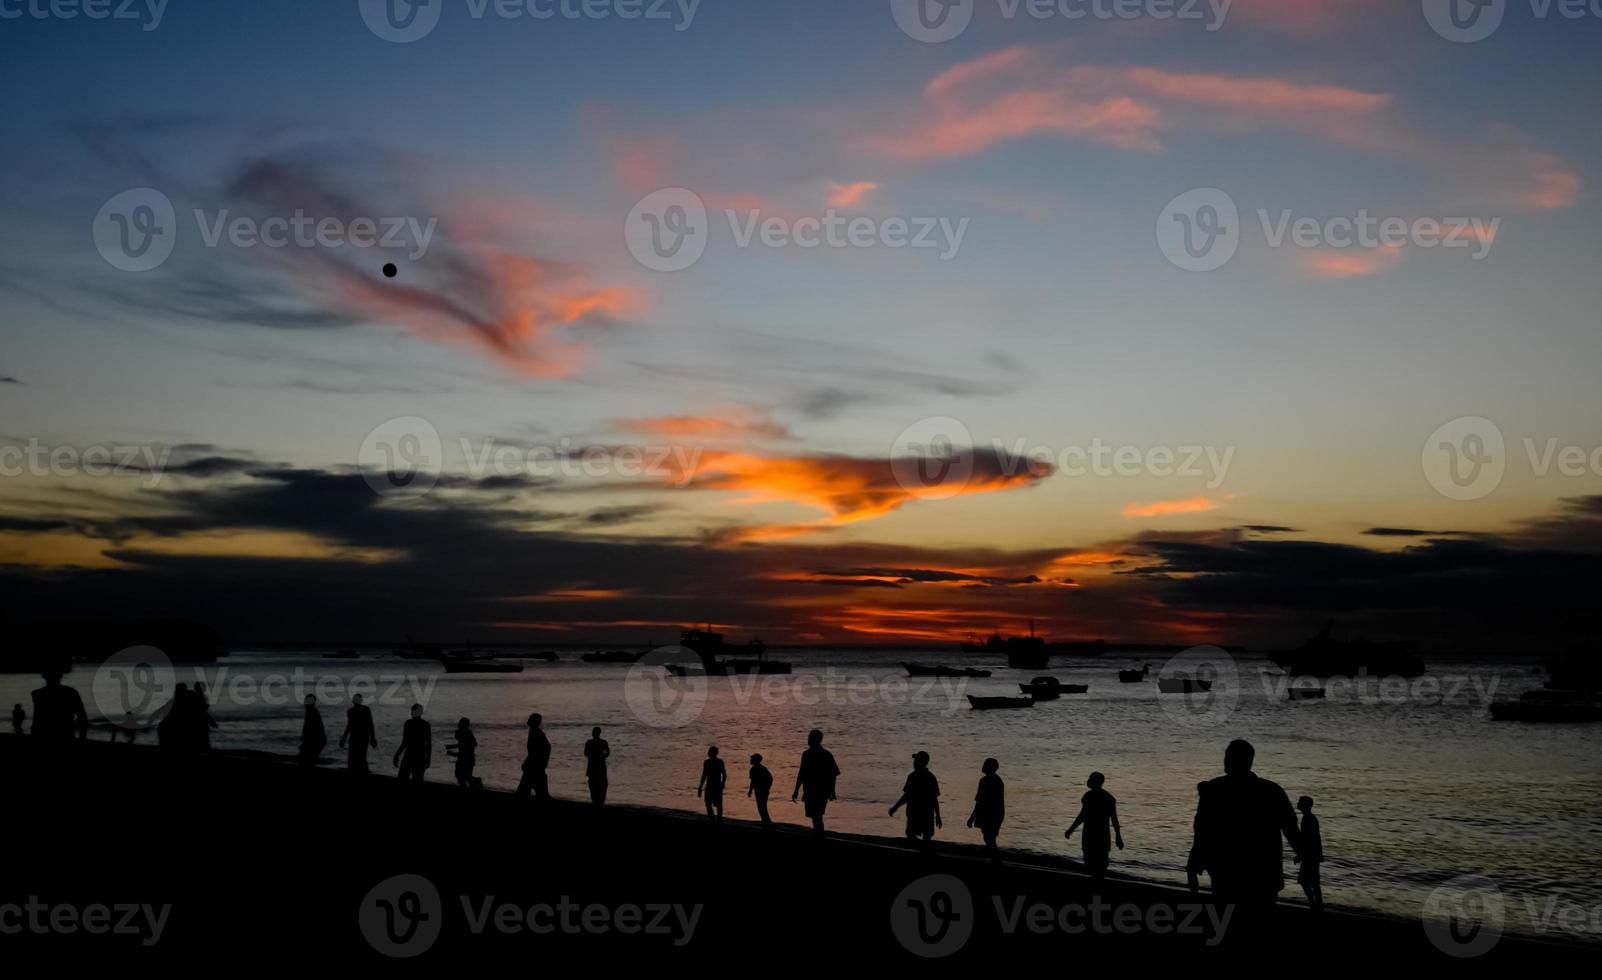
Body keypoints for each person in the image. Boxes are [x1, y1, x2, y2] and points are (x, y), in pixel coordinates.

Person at [1189, 739, 1302, 909]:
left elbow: (1202, 828)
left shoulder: (1213, 790)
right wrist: (1303, 853)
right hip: (1263, 873)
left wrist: (1196, 858)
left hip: (1226, 871)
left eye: (1228, 757)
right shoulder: (1272, 791)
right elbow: (1291, 828)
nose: (1225, 761)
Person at [1064, 771, 1123, 884]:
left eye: (1090, 778)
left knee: (1095, 863)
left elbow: (1082, 816)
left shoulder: (1092, 797)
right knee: (1097, 864)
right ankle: (1097, 883)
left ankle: (1096, 885)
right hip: (1101, 835)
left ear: (1094, 782)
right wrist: (1118, 836)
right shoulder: (1107, 798)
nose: (1088, 780)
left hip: (1092, 834)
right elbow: (1114, 820)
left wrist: (1071, 830)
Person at [791, 729, 839, 835]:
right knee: (816, 816)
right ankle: (818, 833)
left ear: (815, 739)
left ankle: (818, 835)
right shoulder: (822, 754)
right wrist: (796, 790)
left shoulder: (814, 754)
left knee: (816, 816)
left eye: (810, 737)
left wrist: (832, 791)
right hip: (814, 790)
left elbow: (833, 774)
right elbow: (833, 774)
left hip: (817, 790)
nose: (808, 739)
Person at [890, 750, 942, 846]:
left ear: (921, 762)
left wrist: (895, 807)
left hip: (915, 813)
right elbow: (934, 799)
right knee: (924, 838)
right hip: (926, 814)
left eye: (916, 761)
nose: (913, 763)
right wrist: (938, 816)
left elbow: (906, 796)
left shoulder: (913, 777)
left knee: (912, 836)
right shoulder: (931, 777)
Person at [30, 664, 88, 744]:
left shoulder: (37, 694)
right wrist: (82, 737)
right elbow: (82, 717)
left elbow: (37, 719)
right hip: (65, 735)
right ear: (61, 675)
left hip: (42, 735)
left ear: (43, 675)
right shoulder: (70, 692)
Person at [967, 758, 1005, 862]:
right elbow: (979, 800)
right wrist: (972, 817)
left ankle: (996, 860)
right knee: (988, 837)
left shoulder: (993, 781)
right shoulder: (987, 781)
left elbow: (981, 801)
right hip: (991, 813)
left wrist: (972, 817)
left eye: (985, 764)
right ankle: (995, 859)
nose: (982, 766)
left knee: (989, 838)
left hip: (992, 814)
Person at [1294, 795, 1324, 911]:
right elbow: (1316, 838)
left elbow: (1308, 839)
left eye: (1300, 801)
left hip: (1310, 855)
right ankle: (1317, 904)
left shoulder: (1307, 819)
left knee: (1305, 881)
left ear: (1305, 805)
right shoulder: (1310, 818)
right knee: (1313, 881)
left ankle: (1315, 904)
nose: (1298, 803)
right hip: (1313, 854)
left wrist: (1300, 855)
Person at [515, 713, 552, 800]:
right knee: (539, 792)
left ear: (534, 721)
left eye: (530, 719)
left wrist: (542, 762)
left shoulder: (536, 733)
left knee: (525, 792)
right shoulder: (534, 732)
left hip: (534, 767)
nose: (528, 720)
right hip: (535, 766)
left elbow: (544, 748)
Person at [339, 693, 378, 773]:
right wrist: (373, 738)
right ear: (361, 701)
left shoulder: (351, 711)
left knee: (354, 759)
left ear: (353, 701)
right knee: (361, 758)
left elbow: (349, 726)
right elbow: (370, 725)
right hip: (362, 737)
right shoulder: (365, 710)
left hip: (356, 737)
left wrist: (344, 738)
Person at [393, 704, 432, 782]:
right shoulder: (425, 725)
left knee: (402, 778)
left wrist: (397, 754)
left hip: (409, 755)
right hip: (420, 756)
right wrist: (428, 758)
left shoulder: (408, 723)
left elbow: (405, 742)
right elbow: (428, 744)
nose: (412, 713)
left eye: (413, 712)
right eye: (412, 712)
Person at [1186, 781, 1207, 893]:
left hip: (1201, 844)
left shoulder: (1205, 805)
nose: (1198, 794)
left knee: (1191, 869)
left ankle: (1194, 893)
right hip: (1199, 844)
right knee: (1191, 869)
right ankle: (1194, 893)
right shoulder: (1203, 804)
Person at [698, 746, 727, 823]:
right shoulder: (708, 762)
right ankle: (714, 820)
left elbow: (724, 774)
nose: (708, 753)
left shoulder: (717, 762)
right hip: (713, 785)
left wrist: (723, 783)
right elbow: (704, 775)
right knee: (710, 804)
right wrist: (700, 787)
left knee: (716, 805)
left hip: (715, 785)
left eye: (710, 751)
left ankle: (717, 820)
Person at [584, 726, 610, 805]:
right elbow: (608, 752)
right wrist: (603, 757)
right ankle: (600, 800)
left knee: (593, 784)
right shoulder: (603, 742)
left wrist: (591, 756)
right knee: (602, 784)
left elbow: (585, 753)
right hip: (601, 766)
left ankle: (595, 800)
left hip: (592, 766)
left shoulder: (589, 742)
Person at [298, 695, 326, 766]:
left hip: (315, 740)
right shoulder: (311, 711)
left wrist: (305, 740)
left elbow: (309, 728)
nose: (304, 703)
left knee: (308, 760)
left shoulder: (311, 712)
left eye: (306, 701)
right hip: (316, 740)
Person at [748, 753, 774, 827]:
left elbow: (753, 781)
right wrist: (767, 788)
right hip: (762, 790)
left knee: (761, 806)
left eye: (752, 759)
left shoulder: (754, 769)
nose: (750, 760)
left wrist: (750, 791)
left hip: (760, 790)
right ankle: (766, 821)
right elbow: (770, 779)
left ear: (756, 760)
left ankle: (766, 822)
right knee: (762, 806)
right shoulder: (763, 768)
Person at [451, 718, 478, 788]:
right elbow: (462, 744)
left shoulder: (465, 732)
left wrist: (453, 750)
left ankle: (476, 781)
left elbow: (466, 744)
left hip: (466, 759)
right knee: (462, 776)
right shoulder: (466, 732)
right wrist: (452, 747)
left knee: (463, 777)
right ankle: (475, 782)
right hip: (466, 758)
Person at [192, 681, 218, 750]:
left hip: (197, 723)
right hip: (200, 723)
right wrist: (212, 722)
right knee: (204, 742)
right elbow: (203, 712)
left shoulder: (193, 697)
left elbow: (203, 712)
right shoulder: (202, 698)